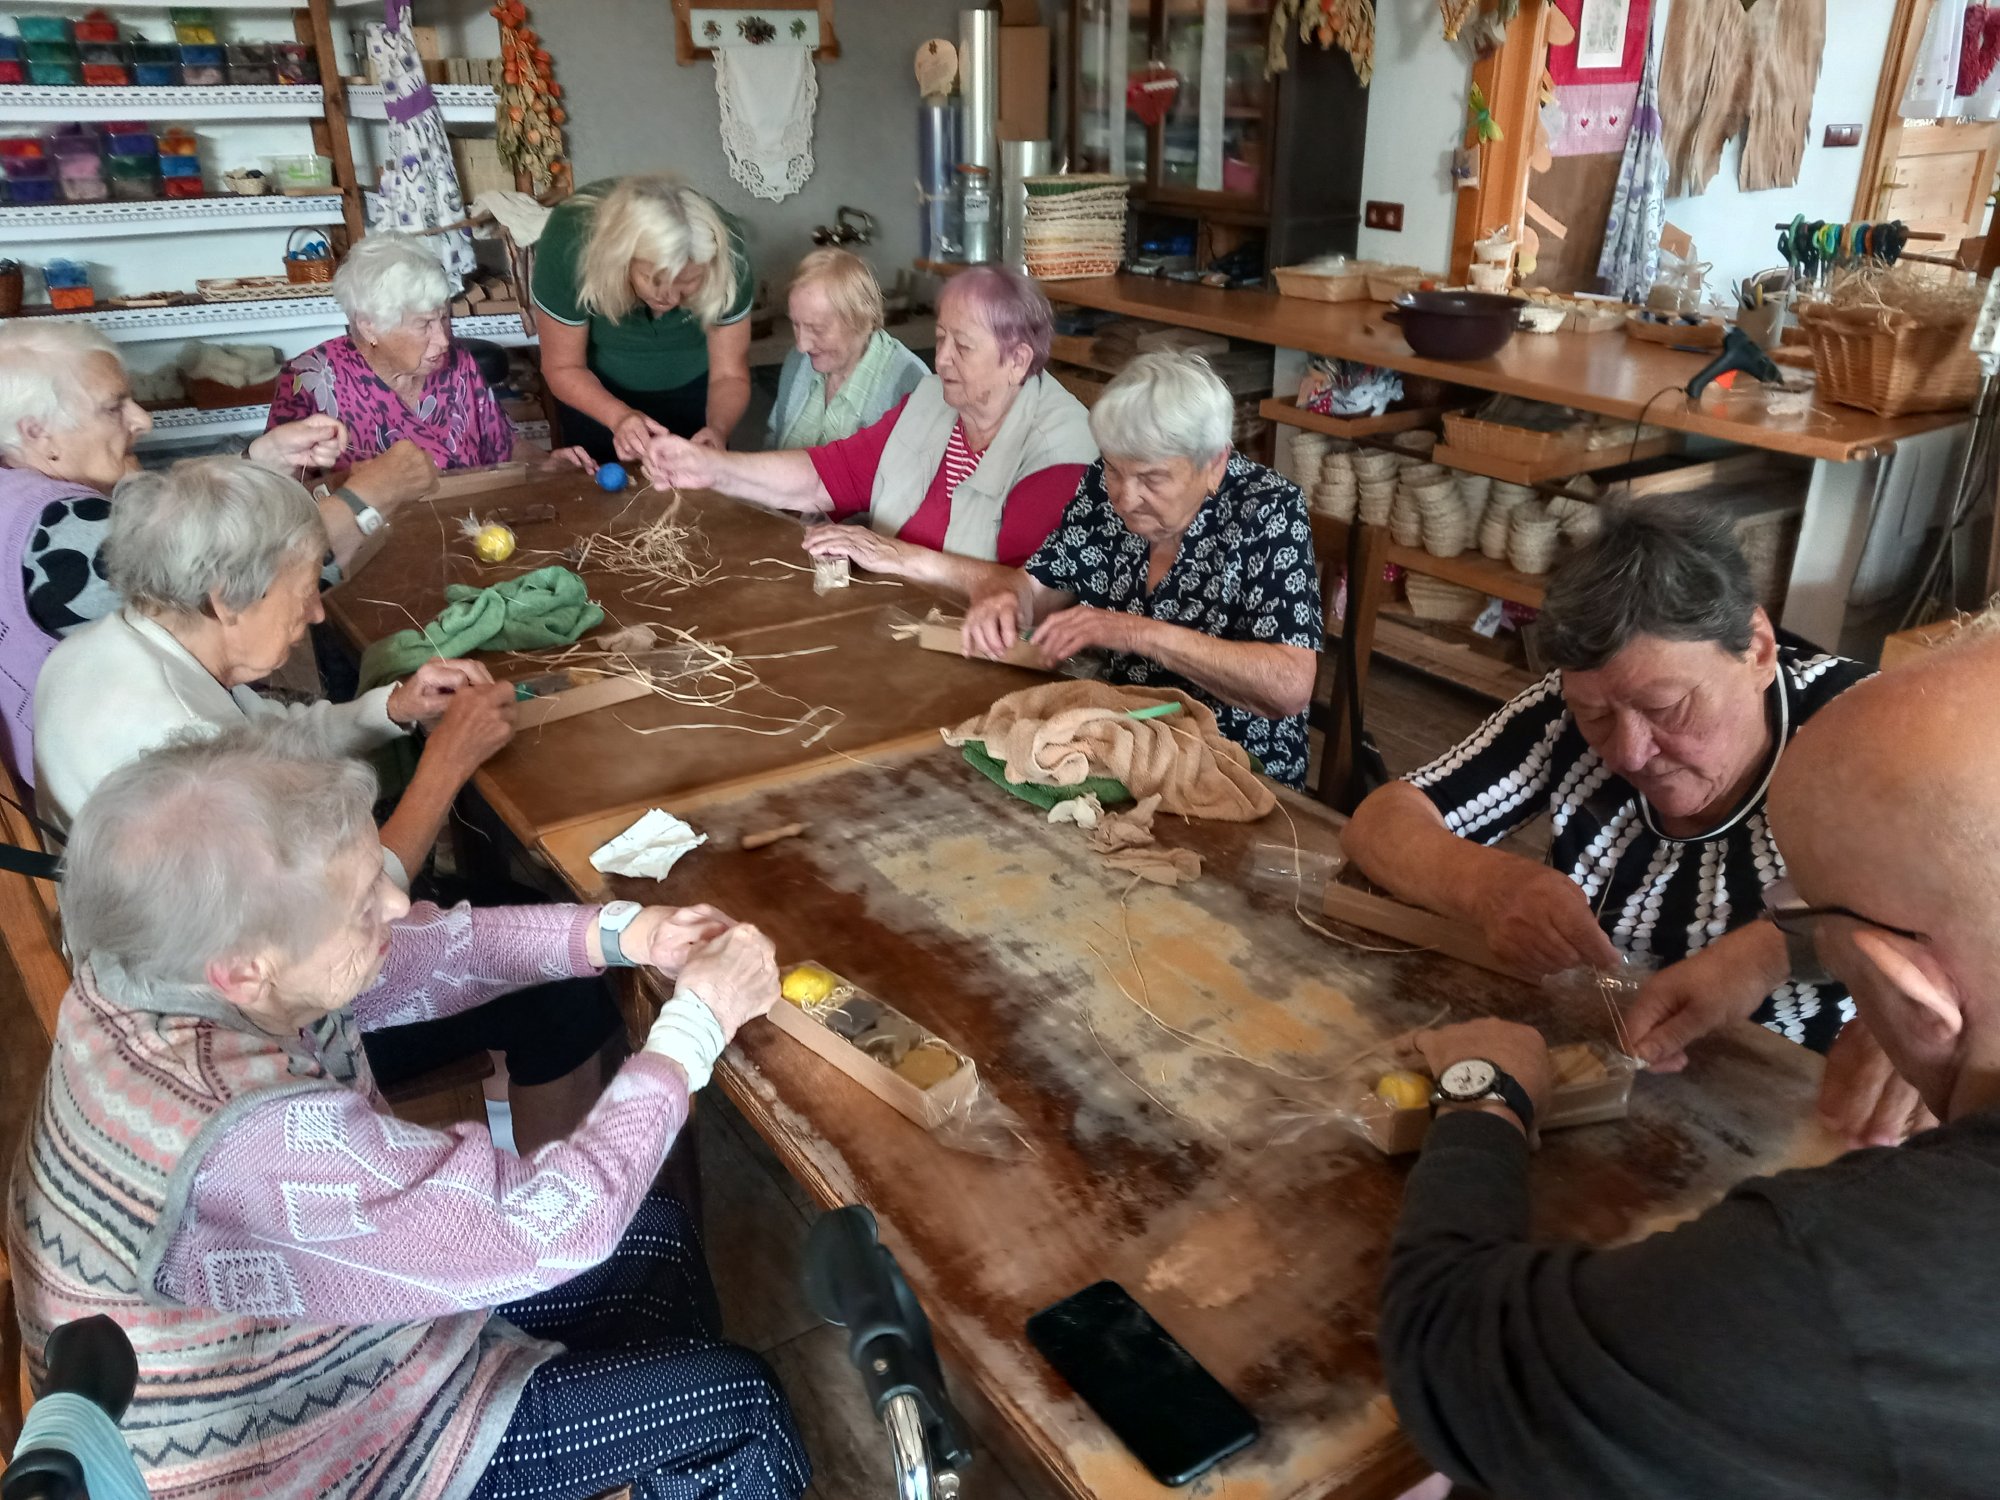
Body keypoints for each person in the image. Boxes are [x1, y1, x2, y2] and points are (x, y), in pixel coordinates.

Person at [7, 720, 810, 1500]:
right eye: (362, 903)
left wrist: (623, 933)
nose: (396, 903)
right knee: (740, 1409)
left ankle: (665, 1461)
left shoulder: (160, 966)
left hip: (334, 1349)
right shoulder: (246, 1141)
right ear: (243, 970)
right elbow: (551, 1225)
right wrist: (695, 1025)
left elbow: (416, 953)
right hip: (322, 1456)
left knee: (658, 1241)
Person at [1378, 629, 2000, 1500]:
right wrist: (1773, 959)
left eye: (1806, 921)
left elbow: (1461, 1370)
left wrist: (1484, 1095)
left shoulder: (1827, 1279)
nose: (1631, 751)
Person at [1338, 500, 1914, 1141]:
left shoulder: (1873, 732)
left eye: (1665, 707)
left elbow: (1966, 901)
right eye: (1598, 718)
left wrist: (1766, 958)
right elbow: (1381, 822)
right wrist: (1486, 884)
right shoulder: (1567, 713)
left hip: (1793, 1098)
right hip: (1587, 1061)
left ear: (1756, 649)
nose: (1630, 753)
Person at [0, 319, 434, 785]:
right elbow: (263, 581)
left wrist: (258, 463)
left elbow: (185, 535)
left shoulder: (18, 495)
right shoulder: (65, 539)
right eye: (113, 407)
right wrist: (368, 497)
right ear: (38, 433)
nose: (143, 420)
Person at [961, 351, 1321, 787]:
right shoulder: (1103, 486)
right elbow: (1044, 583)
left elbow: (1288, 686)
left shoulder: (1266, 511)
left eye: (1152, 479)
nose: (1126, 498)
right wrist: (1009, 598)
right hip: (1121, 743)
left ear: (1215, 463)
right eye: (1115, 469)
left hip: (1231, 764)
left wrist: (1138, 633)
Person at [647, 265, 1096, 600]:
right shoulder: (932, 400)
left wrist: (899, 557)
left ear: (1017, 360)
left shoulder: (1059, 451)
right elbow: (825, 476)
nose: (941, 359)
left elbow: (1035, 597)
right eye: (940, 338)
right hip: (905, 615)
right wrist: (711, 468)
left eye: (962, 346)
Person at [268, 230, 593, 474]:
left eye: (444, 319)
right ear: (369, 326)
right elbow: (283, 490)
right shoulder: (309, 380)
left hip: (473, 526)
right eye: (424, 325)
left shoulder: (458, 363)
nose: (443, 340)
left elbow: (503, 446)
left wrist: (546, 461)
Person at [532, 175, 754, 460]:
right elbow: (563, 366)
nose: (670, 298)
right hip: (595, 391)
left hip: (697, 387)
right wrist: (618, 417)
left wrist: (718, 430)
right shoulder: (568, 239)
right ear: (622, 260)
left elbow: (729, 374)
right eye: (654, 280)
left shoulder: (727, 251)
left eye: (688, 283)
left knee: (696, 478)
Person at [765, 247, 927, 448]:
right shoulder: (797, 362)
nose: (801, 345)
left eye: (817, 329)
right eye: (796, 325)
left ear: (860, 319)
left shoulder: (910, 384)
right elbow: (773, 441)